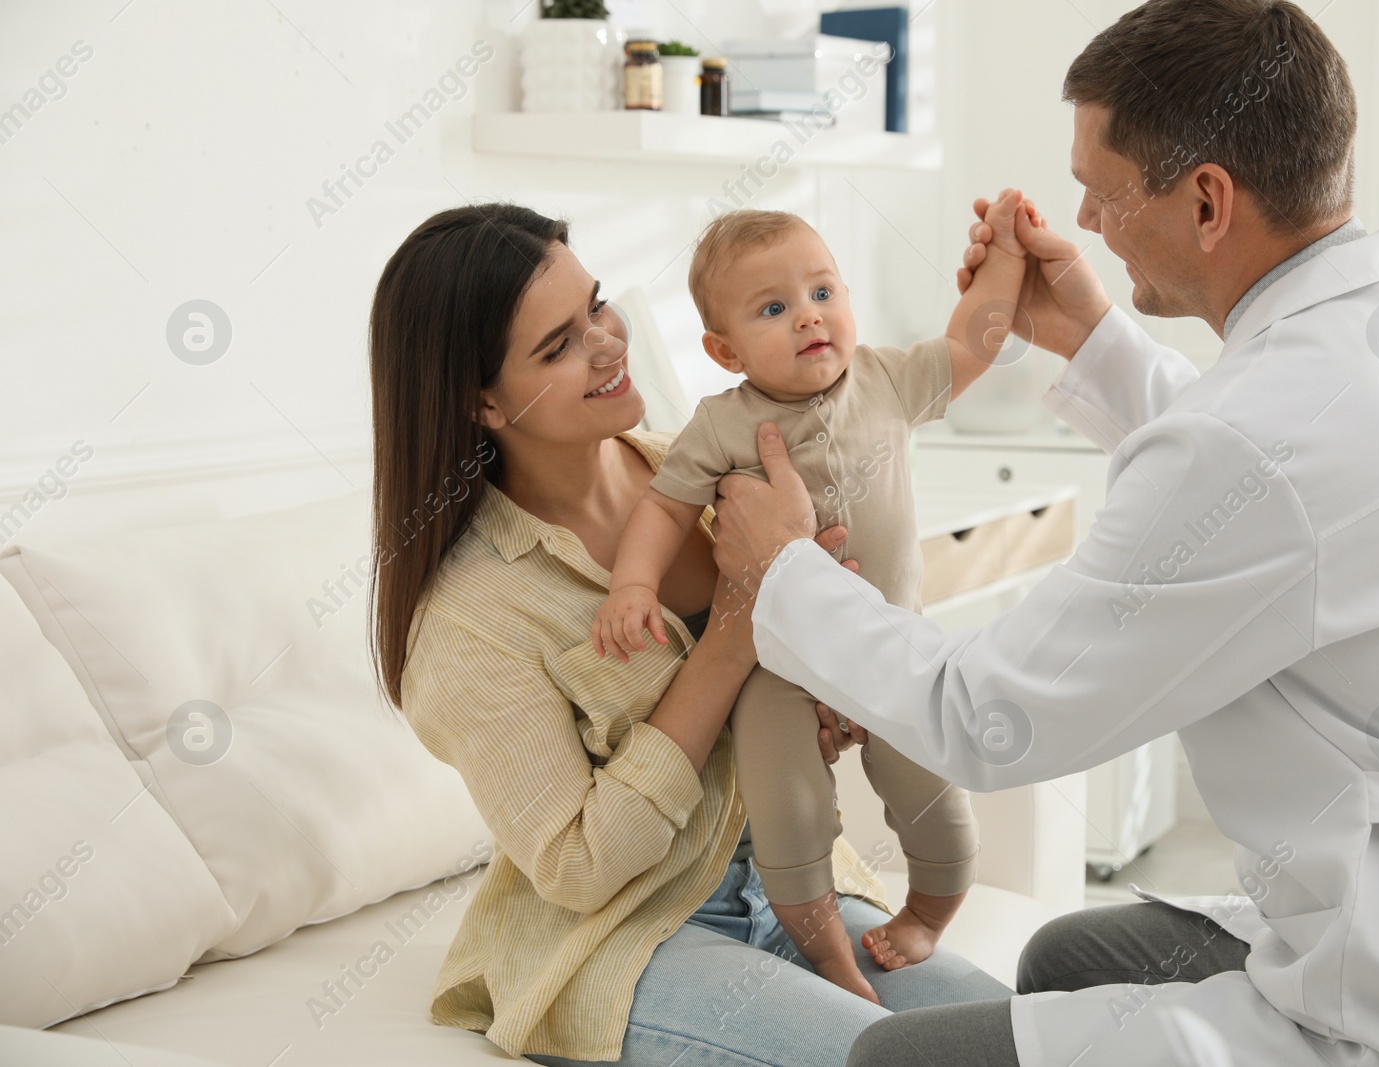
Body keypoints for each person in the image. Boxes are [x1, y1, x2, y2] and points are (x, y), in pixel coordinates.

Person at [707, 1, 1379, 1064]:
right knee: (1069, 956)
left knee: (888, 1060)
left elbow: (982, 717)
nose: (1082, 218)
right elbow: (1292, 491)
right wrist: (1091, 336)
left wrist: (783, 573)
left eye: (1100, 185)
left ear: (1207, 201)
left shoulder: (1255, 438)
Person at [365, 202, 1013, 1067]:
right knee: (892, 1061)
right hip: (628, 936)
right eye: (557, 345)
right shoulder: (471, 616)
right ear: (481, 402)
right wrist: (739, 626)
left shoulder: (712, 463)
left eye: (595, 304)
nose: (605, 342)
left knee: (1016, 1036)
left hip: (794, 886)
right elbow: (578, 866)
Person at [591, 196, 1030, 1000]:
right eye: (774, 307)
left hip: (892, 647)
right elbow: (664, 506)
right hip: (778, 666)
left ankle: (929, 911)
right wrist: (633, 583)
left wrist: (1006, 253)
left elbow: (976, 340)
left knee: (935, 795)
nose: (807, 318)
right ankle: (827, 949)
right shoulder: (723, 424)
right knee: (788, 813)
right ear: (723, 349)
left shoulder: (887, 379)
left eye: (823, 292)